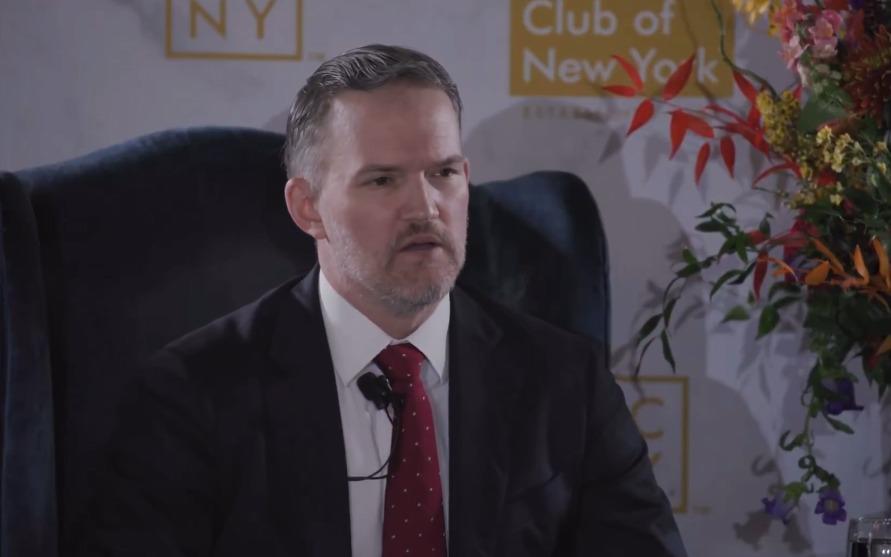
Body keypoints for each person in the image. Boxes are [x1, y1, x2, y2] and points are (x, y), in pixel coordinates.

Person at [84, 44, 687, 557]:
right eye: (382, 180)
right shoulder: (194, 392)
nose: (425, 208)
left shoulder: (566, 382)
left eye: (443, 173)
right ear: (308, 207)